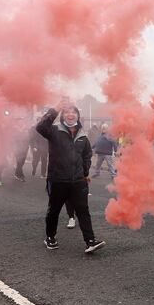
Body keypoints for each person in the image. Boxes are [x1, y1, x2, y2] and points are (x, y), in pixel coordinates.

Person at [36, 100, 105, 254]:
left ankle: (90, 241)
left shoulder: (82, 135)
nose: (70, 114)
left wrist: (84, 172)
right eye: (67, 112)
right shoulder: (54, 130)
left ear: (78, 116)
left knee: (83, 211)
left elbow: (87, 154)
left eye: (74, 112)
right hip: (58, 180)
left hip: (78, 181)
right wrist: (55, 109)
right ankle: (50, 237)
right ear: (62, 115)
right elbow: (40, 127)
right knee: (54, 210)